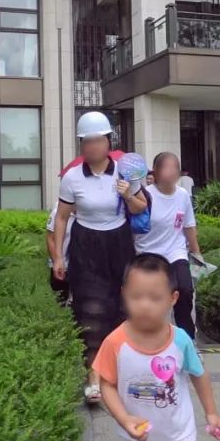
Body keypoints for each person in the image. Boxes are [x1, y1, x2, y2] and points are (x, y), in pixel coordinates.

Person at [54, 111, 148, 404]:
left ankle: (121, 372)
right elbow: (61, 218)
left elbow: (141, 208)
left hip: (118, 244)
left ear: (109, 141)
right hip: (85, 245)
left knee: (123, 307)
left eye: (98, 140)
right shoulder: (72, 177)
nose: (92, 146)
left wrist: (128, 195)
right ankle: (93, 378)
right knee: (90, 311)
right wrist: (58, 257)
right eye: (87, 141)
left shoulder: (125, 171)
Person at [93, 254, 220, 441]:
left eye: (155, 298)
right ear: (123, 294)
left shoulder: (180, 340)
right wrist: (123, 418)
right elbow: (107, 384)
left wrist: (211, 412)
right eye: (136, 297)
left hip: (179, 440)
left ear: (173, 298)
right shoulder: (115, 342)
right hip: (136, 437)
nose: (145, 305)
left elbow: (199, 374)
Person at [134, 152, 201, 340]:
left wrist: (196, 253)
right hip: (148, 253)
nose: (172, 171)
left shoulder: (182, 195)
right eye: (166, 167)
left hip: (175, 252)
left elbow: (189, 226)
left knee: (185, 290)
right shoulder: (146, 196)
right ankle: (150, 337)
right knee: (152, 298)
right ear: (155, 172)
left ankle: (187, 339)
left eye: (175, 167)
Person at [46, 199, 73, 304]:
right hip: (61, 263)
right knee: (61, 300)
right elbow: (50, 239)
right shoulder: (58, 210)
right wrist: (57, 260)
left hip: (81, 265)